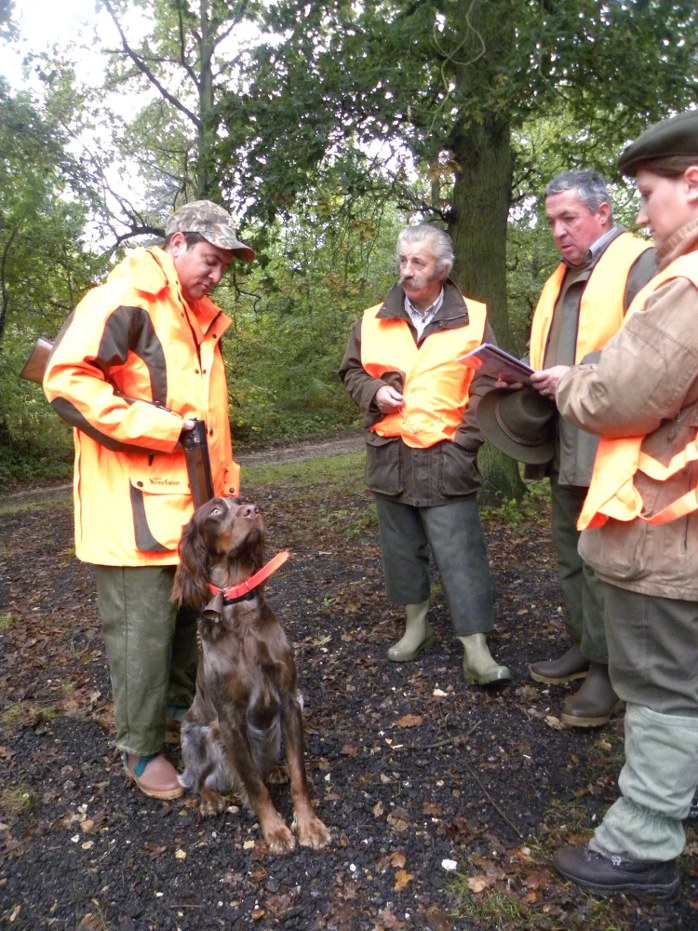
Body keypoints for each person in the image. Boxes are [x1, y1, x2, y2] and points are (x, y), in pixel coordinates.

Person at [532, 109, 698, 899]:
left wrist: (577, 383)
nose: (642, 210)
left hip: (666, 529)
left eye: (648, 190)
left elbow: (625, 392)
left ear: (693, 183)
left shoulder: (688, 283)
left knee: (662, 686)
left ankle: (644, 842)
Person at [43, 200, 255, 800]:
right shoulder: (125, 299)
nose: (215, 274)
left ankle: (178, 718)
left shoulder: (197, 319)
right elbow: (66, 380)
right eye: (210, 260)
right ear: (179, 242)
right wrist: (167, 429)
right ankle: (139, 751)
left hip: (190, 514)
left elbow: (209, 426)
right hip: (133, 513)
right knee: (143, 633)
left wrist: (223, 499)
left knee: (186, 622)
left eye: (223, 267)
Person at [338, 223, 510, 686]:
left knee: (461, 552)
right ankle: (417, 627)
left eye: (419, 262)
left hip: (447, 455)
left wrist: (466, 441)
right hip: (389, 453)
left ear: (443, 269)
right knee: (400, 550)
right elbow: (351, 371)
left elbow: (488, 383)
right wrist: (373, 392)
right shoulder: (371, 318)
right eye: (402, 260)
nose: (407, 271)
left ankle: (476, 648)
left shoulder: (473, 317)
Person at [525, 170, 656, 727]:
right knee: (570, 555)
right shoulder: (565, 276)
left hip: (612, 443)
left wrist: (578, 374)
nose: (558, 231)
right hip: (564, 439)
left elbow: (650, 350)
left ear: (603, 213)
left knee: (605, 563)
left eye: (568, 218)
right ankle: (584, 645)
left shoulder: (639, 263)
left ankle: (609, 674)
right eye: (552, 220)